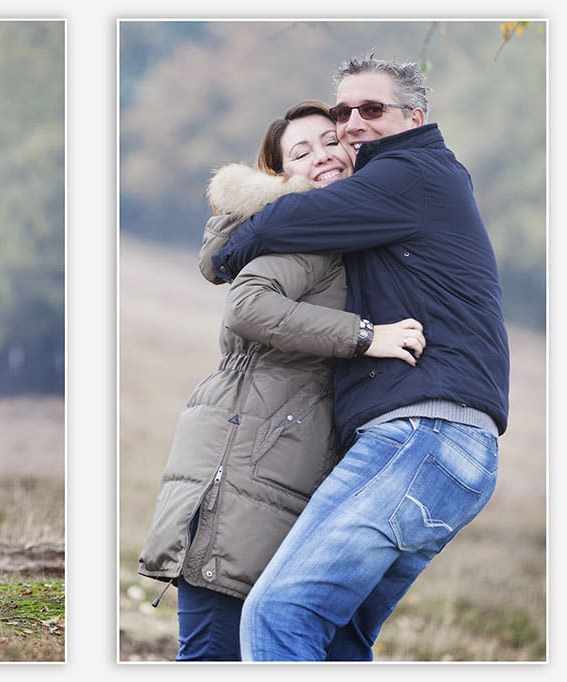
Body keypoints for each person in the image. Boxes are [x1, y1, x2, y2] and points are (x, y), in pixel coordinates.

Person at [207, 56, 510, 661]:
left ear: (414, 116)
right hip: (454, 452)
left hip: (424, 434)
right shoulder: (402, 190)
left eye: (370, 109)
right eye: (342, 111)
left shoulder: (410, 172)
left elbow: (292, 216)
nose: (351, 124)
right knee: (338, 638)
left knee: (278, 614)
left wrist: (224, 252)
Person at [138, 101, 426, 660]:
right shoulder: (305, 230)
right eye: (302, 152)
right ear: (282, 177)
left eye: (329, 141)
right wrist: (367, 335)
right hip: (245, 462)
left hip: (279, 463)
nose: (323, 157)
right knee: (214, 654)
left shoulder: (346, 230)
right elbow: (247, 308)